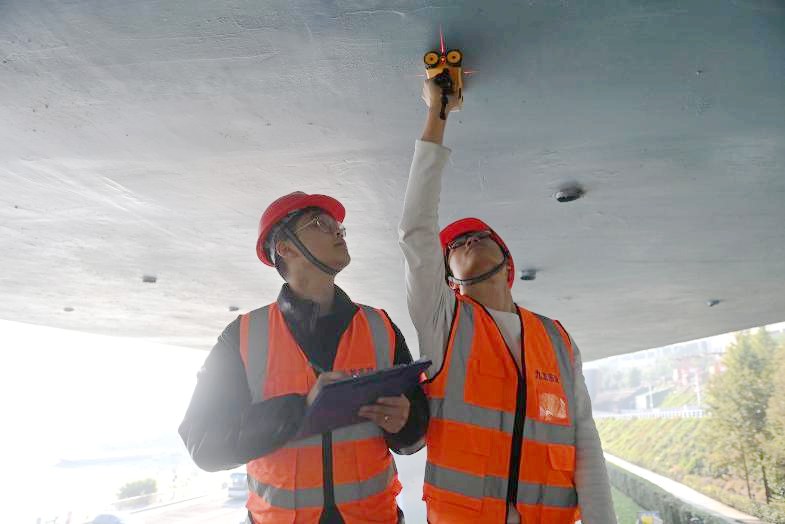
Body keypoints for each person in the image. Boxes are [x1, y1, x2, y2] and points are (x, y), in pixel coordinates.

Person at [397, 81, 616, 523]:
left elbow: (584, 440)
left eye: (481, 236)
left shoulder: (557, 339)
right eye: (454, 246)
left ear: (507, 261)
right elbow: (416, 230)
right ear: (447, 280)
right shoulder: (444, 322)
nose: (468, 240)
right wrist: (437, 115)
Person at [180, 191, 429, 524]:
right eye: (320, 224)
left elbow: (414, 434)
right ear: (285, 247)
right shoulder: (242, 336)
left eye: (338, 226)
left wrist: (406, 422)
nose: (338, 230)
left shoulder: (380, 326)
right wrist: (299, 409)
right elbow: (203, 444)